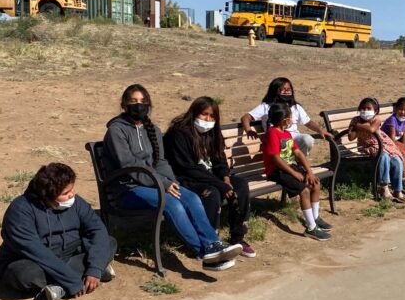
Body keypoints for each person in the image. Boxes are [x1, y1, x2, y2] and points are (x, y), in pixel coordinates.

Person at [104, 84, 242, 271]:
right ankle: (204, 252)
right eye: (133, 101)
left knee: (190, 197)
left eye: (143, 102)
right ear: (124, 104)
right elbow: (129, 167)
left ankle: (212, 245)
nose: (139, 105)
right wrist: (163, 184)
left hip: (154, 183)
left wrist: (172, 182)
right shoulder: (116, 130)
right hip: (128, 188)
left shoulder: (151, 129)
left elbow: (161, 162)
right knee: (172, 203)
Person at [0, 163, 116, 300]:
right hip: (33, 260)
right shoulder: (20, 211)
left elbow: (96, 229)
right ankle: (80, 276)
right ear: (47, 197)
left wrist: (95, 268)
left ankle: (59, 288)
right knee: (24, 276)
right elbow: (36, 252)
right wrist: (72, 281)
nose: (72, 195)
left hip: (70, 251)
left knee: (109, 242)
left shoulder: (76, 202)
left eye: (71, 189)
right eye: (65, 193)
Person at [165, 97, 255, 259]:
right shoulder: (178, 134)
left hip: (212, 177)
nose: (208, 120)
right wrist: (220, 184)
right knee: (211, 192)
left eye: (212, 116)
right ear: (194, 114)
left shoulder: (212, 132)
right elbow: (187, 168)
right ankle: (210, 241)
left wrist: (226, 178)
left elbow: (220, 158)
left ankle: (237, 238)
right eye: (204, 114)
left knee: (240, 184)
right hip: (186, 179)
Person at [263, 102, 331, 241]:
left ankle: (315, 218)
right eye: (291, 116)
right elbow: (275, 159)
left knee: (315, 183)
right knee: (304, 190)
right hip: (276, 170)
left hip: (288, 167)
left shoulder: (286, 133)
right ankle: (311, 228)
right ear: (285, 120)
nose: (293, 119)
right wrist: (294, 174)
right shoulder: (272, 133)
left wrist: (310, 172)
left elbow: (298, 153)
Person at [242, 77, 333, 155]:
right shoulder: (266, 106)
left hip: (293, 137)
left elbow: (308, 122)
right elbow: (246, 117)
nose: (286, 92)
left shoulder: (295, 107)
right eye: (282, 89)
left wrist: (320, 130)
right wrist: (249, 130)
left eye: (289, 89)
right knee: (285, 143)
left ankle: (298, 162)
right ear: (274, 91)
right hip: (275, 138)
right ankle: (289, 166)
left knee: (308, 139)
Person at [349, 97, 405, 203]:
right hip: (368, 146)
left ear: (375, 111)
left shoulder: (376, 119)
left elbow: (371, 129)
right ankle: (384, 187)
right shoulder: (355, 119)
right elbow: (350, 137)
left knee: (397, 160)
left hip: (382, 143)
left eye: (368, 108)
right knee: (383, 156)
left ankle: (398, 190)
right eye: (363, 108)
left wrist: (358, 126)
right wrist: (359, 126)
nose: (365, 111)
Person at [382, 97, 405, 190]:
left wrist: (404, 146)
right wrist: (400, 149)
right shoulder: (392, 120)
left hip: (395, 141)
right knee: (402, 153)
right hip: (387, 142)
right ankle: (404, 177)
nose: (403, 112)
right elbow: (392, 137)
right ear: (396, 109)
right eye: (400, 109)